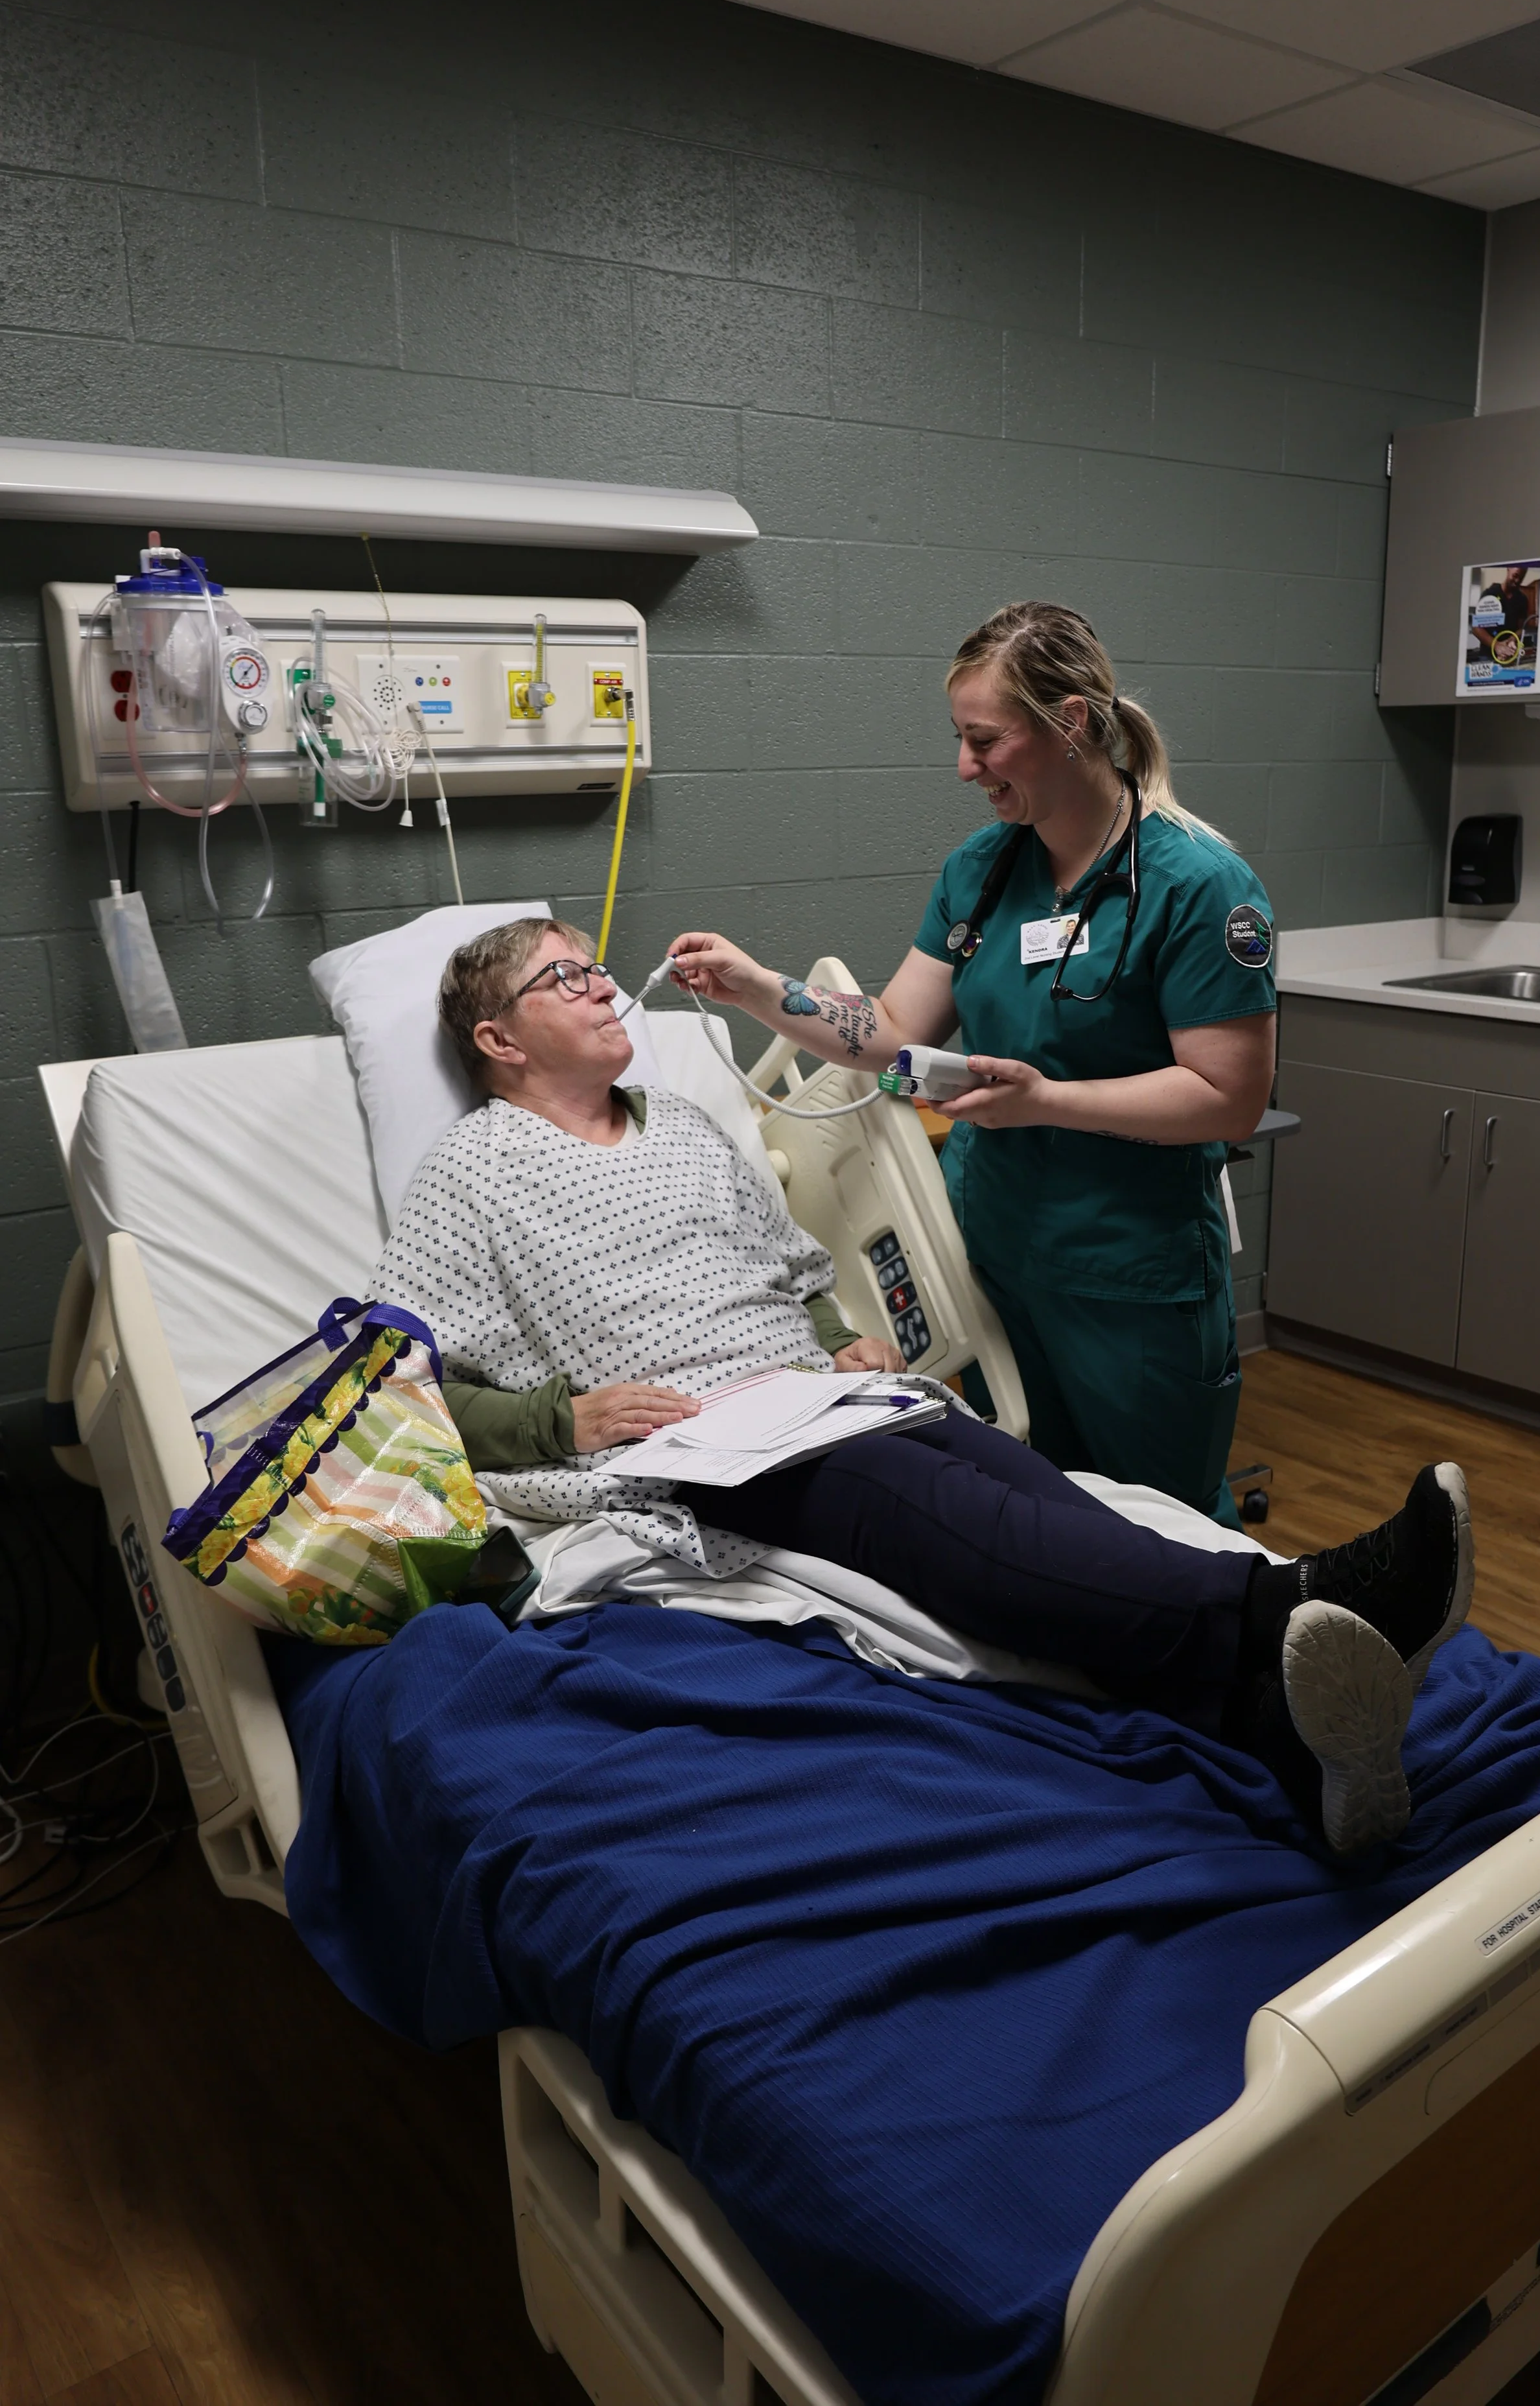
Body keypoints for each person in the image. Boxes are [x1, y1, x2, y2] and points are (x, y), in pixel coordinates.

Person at [369, 915, 1475, 1857]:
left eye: (596, 964)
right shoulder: (475, 1169)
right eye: (563, 976)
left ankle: (1276, 1721)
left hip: (811, 1396)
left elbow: (794, 1272)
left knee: (1027, 1491)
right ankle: (1294, 1602)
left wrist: (842, 1336)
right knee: (947, 1517)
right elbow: (398, 1381)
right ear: (497, 1037)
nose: (603, 983)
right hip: (697, 1443)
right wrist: (559, 1418)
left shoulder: (691, 1128)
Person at [668, 602, 1277, 1527]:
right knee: (1030, 1515)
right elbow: (893, 1028)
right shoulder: (985, 871)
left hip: (1128, 1273)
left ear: (1071, 724)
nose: (965, 767)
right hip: (987, 1250)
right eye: (960, 739)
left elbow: (1229, 1098)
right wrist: (759, 988)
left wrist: (1048, 1102)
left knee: (1168, 1525)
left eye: (986, 741)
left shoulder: (1200, 886)